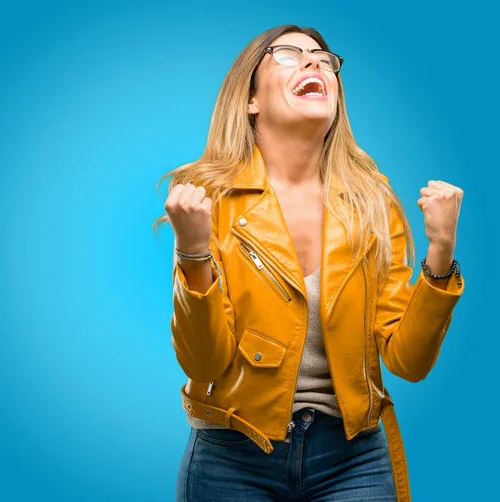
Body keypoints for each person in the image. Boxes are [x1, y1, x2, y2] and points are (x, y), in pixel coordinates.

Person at [153, 24, 465, 502]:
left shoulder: (372, 202)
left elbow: (409, 359)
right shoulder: (208, 200)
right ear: (250, 99)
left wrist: (440, 253)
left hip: (353, 456)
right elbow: (204, 362)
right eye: (288, 54)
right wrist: (192, 251)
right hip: (230, 453)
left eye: (322, 57)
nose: (314, 62)